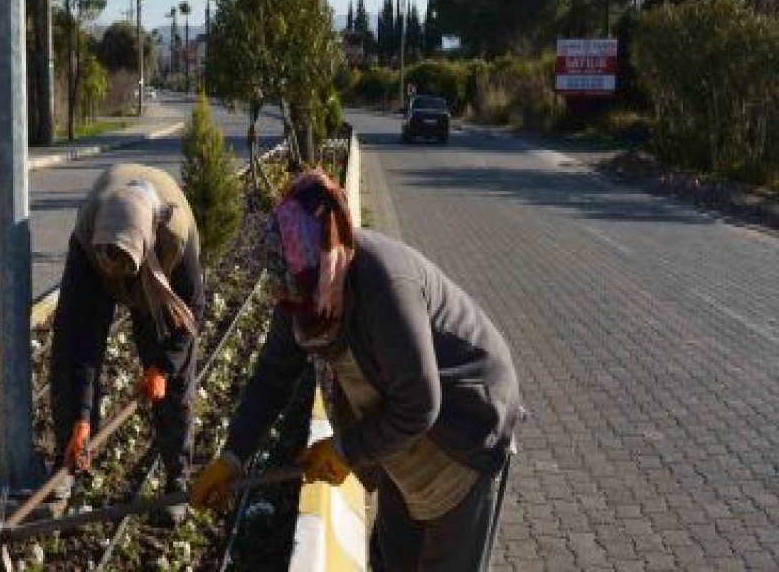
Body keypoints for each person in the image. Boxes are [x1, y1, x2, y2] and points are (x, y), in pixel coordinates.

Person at [192, 171, 521, 571]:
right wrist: (233, 455)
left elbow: (419, 402)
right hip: (403, 436)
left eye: (294, 293)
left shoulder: (383, 285)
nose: (286, 302)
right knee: (395, 559)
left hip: (464, 427)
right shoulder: (299, 291)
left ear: (324, 265)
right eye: (282, 293)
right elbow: (273, 377)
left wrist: (345, 449)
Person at [50, 163, 205, 522]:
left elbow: (192, 314)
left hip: (158, 279)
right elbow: (79, 339)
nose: (115, 272)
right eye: (110, 266)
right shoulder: (88, 239)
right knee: (67, 362)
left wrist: (163, 367)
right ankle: (73, 462)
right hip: (105, 252)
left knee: (174, 384)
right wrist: (80, 418)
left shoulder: (175, 239)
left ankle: (176, 482)